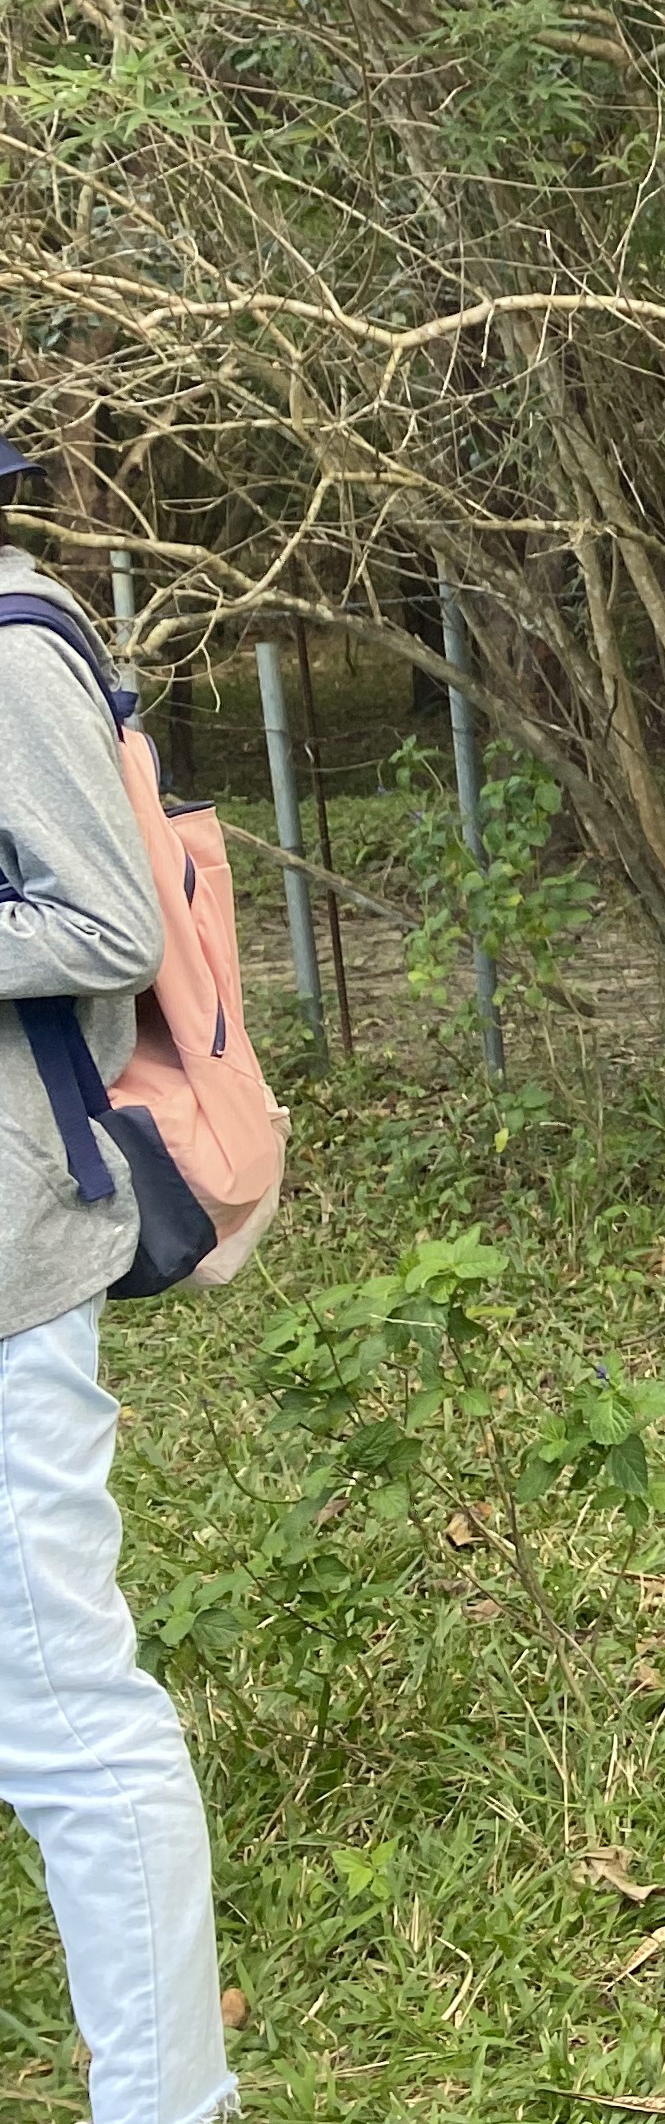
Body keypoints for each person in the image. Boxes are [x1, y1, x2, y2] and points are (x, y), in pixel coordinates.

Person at [0, 441, 239, 2124]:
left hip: (6, 1254)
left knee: (63, 1715)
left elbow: (103, 923)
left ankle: (170, 2103)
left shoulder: (7, 647)